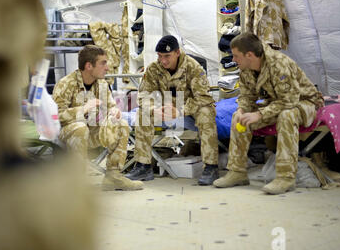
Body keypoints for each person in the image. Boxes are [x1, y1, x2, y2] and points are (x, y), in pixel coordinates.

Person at [213, 32, 324, 194]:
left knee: (287, 115)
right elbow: (246, 96)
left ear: (249, 55)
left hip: (303, 102)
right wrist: (243, 109)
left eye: (236, 56)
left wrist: (259, 114)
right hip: (276, 102)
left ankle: (286, 177)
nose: (233, 60)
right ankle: (237, 172)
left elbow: (289, 101)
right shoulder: (246, 67)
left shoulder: (279, 64)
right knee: (238, 116)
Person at [126, 35, 220, 185]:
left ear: (177, 52)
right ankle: (143, 166)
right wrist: (153, 110)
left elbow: (204, 98)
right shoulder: (154, 69)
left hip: (190, 111)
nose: (163, 61)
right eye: (160, 56)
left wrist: (181, 111)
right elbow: (143, 95)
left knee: (206, 113)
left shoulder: (193, 67)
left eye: (167, 56)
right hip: (166, 110)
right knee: (143, 113)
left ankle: (211, 166)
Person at [53, 45, 143, 191]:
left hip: (92, 133)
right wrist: (83, 109)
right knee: (80, 128)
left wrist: (114, 111)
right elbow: (55, 116)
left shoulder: (102, 83)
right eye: (103, 63)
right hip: (67, 134)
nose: (107, 68)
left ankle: (113, 176)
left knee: (122, 124)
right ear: (89, 66)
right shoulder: (66, 84)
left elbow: (111, 106)